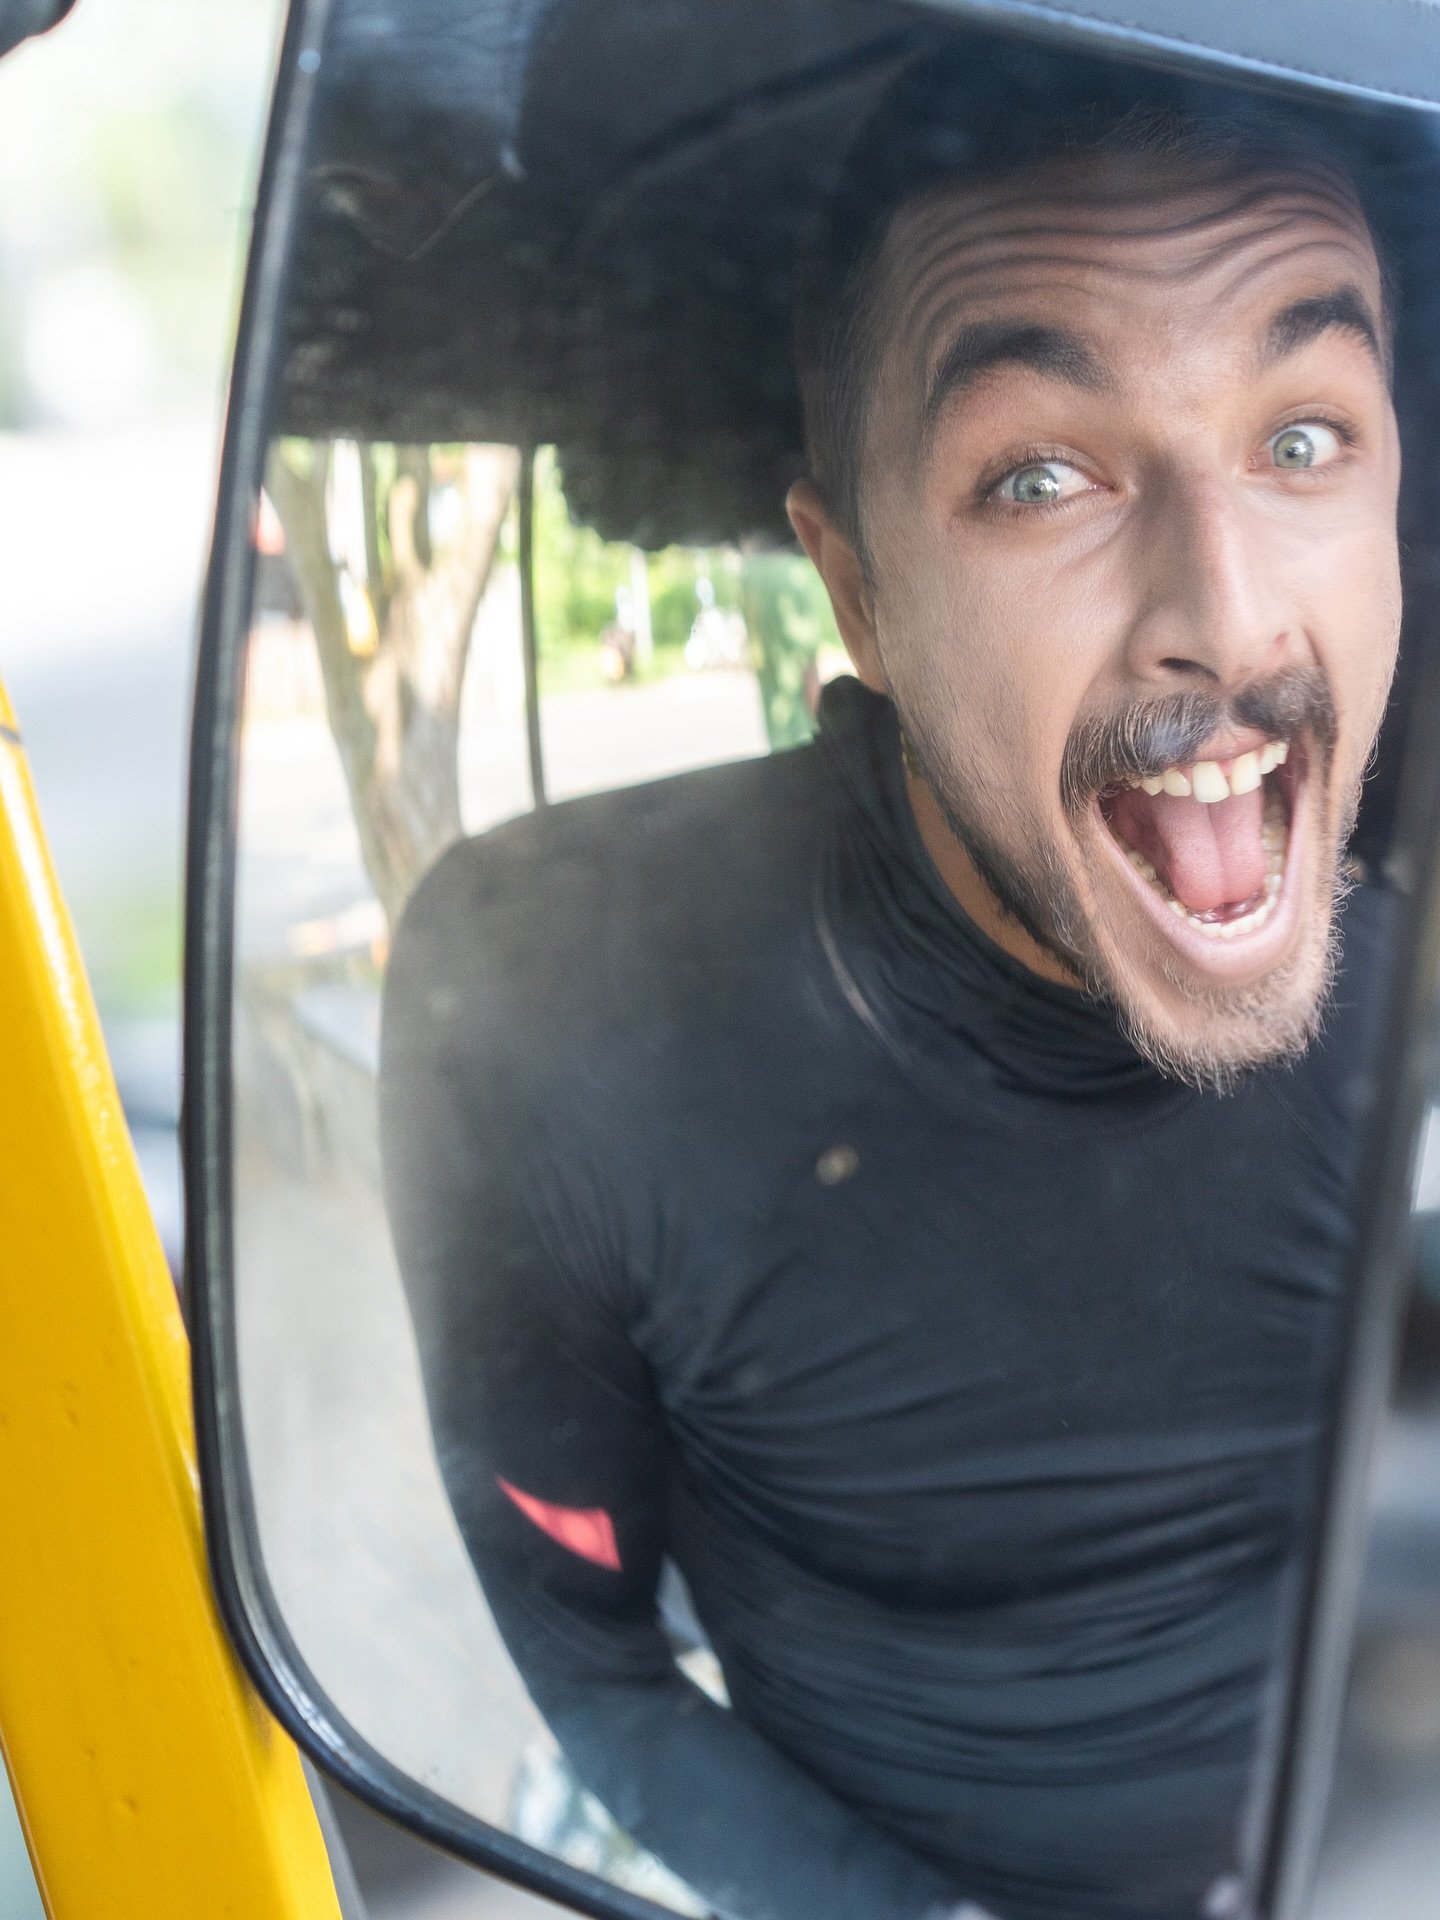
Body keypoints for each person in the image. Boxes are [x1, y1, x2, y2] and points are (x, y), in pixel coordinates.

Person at [379, 39, 1405, 1920]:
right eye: (1042, 474)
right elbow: (593, 1664)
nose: (1234, 613)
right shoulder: (568, 1012)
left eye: (1303, 439)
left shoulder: (1408, 998)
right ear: (857, 597)